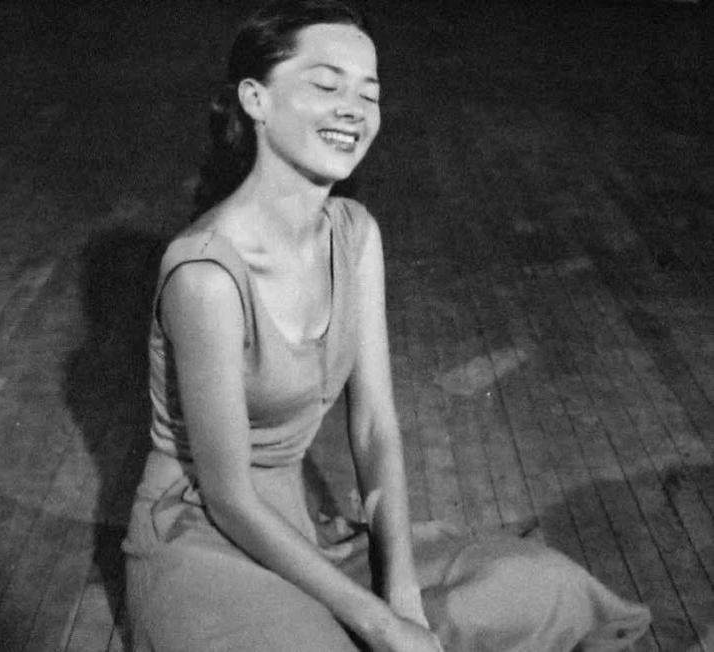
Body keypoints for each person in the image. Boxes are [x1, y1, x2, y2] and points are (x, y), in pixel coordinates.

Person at [121, 1, 652, 650]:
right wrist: (379, 624)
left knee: (551, 589)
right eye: (325, 84)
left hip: (304, 525)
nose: (353, 107)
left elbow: (375, 427)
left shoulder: (356, 234)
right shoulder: (204, 275)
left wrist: (401, 593)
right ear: (255, 100)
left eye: (368, 93)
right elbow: (229, 497)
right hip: (206, 533)